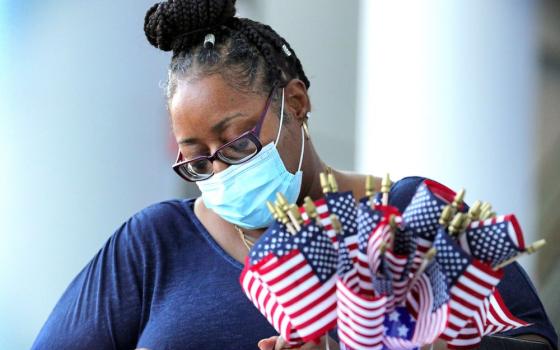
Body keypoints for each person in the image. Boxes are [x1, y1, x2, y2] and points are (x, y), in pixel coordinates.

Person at [31, 1, 557, 349]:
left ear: (296, 103)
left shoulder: (409, 217)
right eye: (197, 158)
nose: (218, 171)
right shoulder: (154, 244)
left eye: (237, 141)